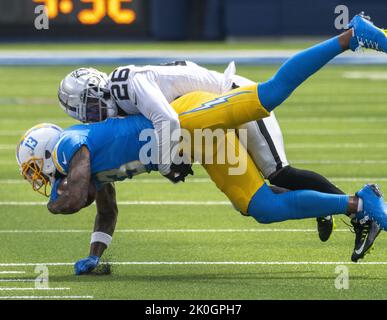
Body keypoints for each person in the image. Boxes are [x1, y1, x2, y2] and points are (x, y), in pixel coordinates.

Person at [17, 13, 387, 274]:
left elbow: (167, 121)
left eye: (37, 169)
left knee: (274, 122)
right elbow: (105, 209)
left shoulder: (102, 108)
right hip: (194, 136)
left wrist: (165, 165)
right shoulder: (98, 144)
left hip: (202, 107)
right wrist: (95, 255)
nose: (94, 116)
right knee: (260, 205)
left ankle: (350, 37)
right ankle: (351, 204)